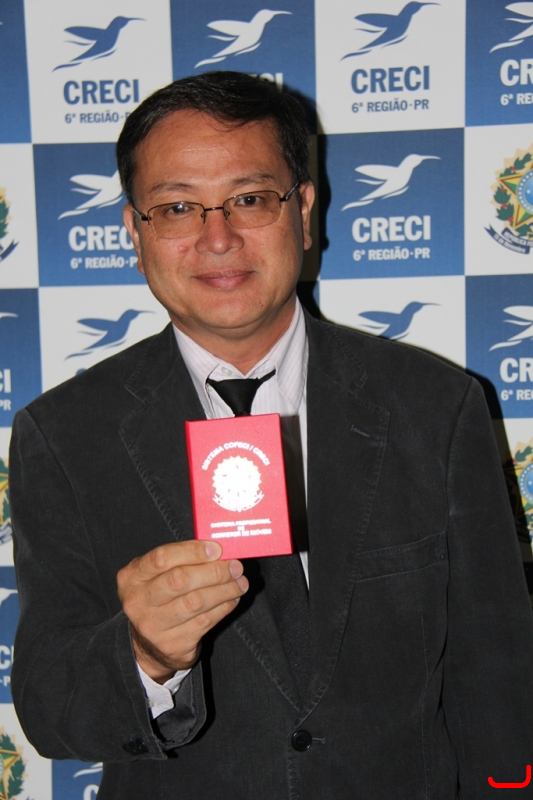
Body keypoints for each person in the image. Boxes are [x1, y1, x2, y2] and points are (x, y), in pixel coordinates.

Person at [10, 72, 533, 799]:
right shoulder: (64, 434)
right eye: (177, 208)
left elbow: (498, 674)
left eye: (251, 199)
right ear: (135, 233)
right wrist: (145, 654)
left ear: (304, 212)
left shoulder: (434, 406)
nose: (218, 237)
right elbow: (48, 711)